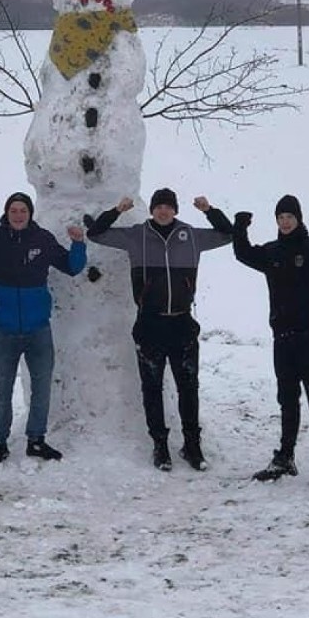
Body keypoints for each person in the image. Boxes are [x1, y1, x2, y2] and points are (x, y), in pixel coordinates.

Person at [217, 194, 309, 490]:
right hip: (282, 338)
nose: (285, 222)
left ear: (299, 219)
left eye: (290, 217)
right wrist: (240, 227)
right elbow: (244, 254)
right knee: (287, 399)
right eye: (280, 218)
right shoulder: (272, 252)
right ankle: (285, 456)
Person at [85, 189, 232, 471]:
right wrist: (118, 210)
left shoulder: (191, 236)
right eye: (159, 207)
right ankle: (160, 446)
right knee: (151, 388)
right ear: (152, 210)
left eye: (168, 207)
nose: (163, 211)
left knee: (188, 387)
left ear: (175, 210)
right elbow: (97, 233)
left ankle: (192, 446)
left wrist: (209, 210)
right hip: (149, 323)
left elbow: (228, 234)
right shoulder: (136, 236)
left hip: (182, 323)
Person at [0, 192, 86, 471]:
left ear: (30, 213)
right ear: (6, 213)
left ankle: (36, 439)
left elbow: (72, 267)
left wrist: (78, 243)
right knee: (2, 391)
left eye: (23, 210)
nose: (18, 215)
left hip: (38, 329)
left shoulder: (43, 239)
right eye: (14, 210)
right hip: (3, 330)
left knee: (42, 388)